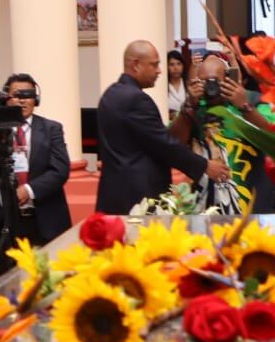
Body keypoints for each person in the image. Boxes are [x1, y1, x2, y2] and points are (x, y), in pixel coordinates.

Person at [95, 40, 230, 214]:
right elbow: (164, 145)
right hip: (137, 196)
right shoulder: (136, 100)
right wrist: (204, 166)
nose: (160, 71)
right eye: (154, 65)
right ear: (136, 65)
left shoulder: (110, 94)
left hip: (113, 191)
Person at [169, 55, 275, 214]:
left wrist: (244, 106)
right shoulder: (194, 108)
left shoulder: (253, 100)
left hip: (252, 204)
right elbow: (172, 143)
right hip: (205, 207)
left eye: (214, 81)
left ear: (228, 79)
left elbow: (274, 137)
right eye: (203, 81)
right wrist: (189, 107)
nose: (210, 87)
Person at [0, 73, 72, 248]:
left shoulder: (52, 129)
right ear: (6, 98)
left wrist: (29, 190)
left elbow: (60, 170)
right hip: (4, 221)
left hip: (44, 220)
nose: (22, 101)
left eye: (28, 95)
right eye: (17, 95)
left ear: (36, 99)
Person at [166, 50, 187, 121]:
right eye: (172, 64)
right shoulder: (163, 86)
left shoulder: (187, 83)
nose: (176, 68)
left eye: (179, 64)